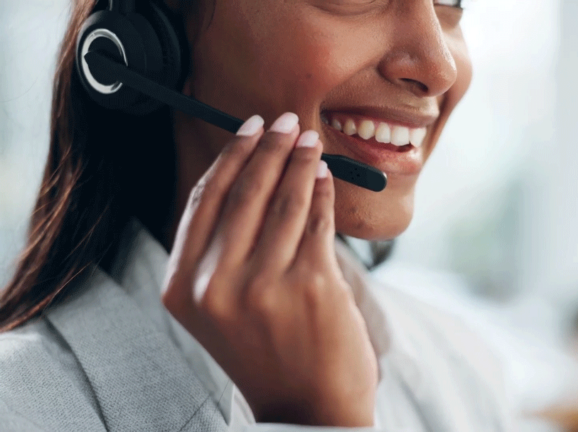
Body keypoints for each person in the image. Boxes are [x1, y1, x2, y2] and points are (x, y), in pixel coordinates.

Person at [0, 0, 516, 430]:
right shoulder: (20, 407)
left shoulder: (465, 366)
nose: (438, 66)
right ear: (147, 44)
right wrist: (311, 421)